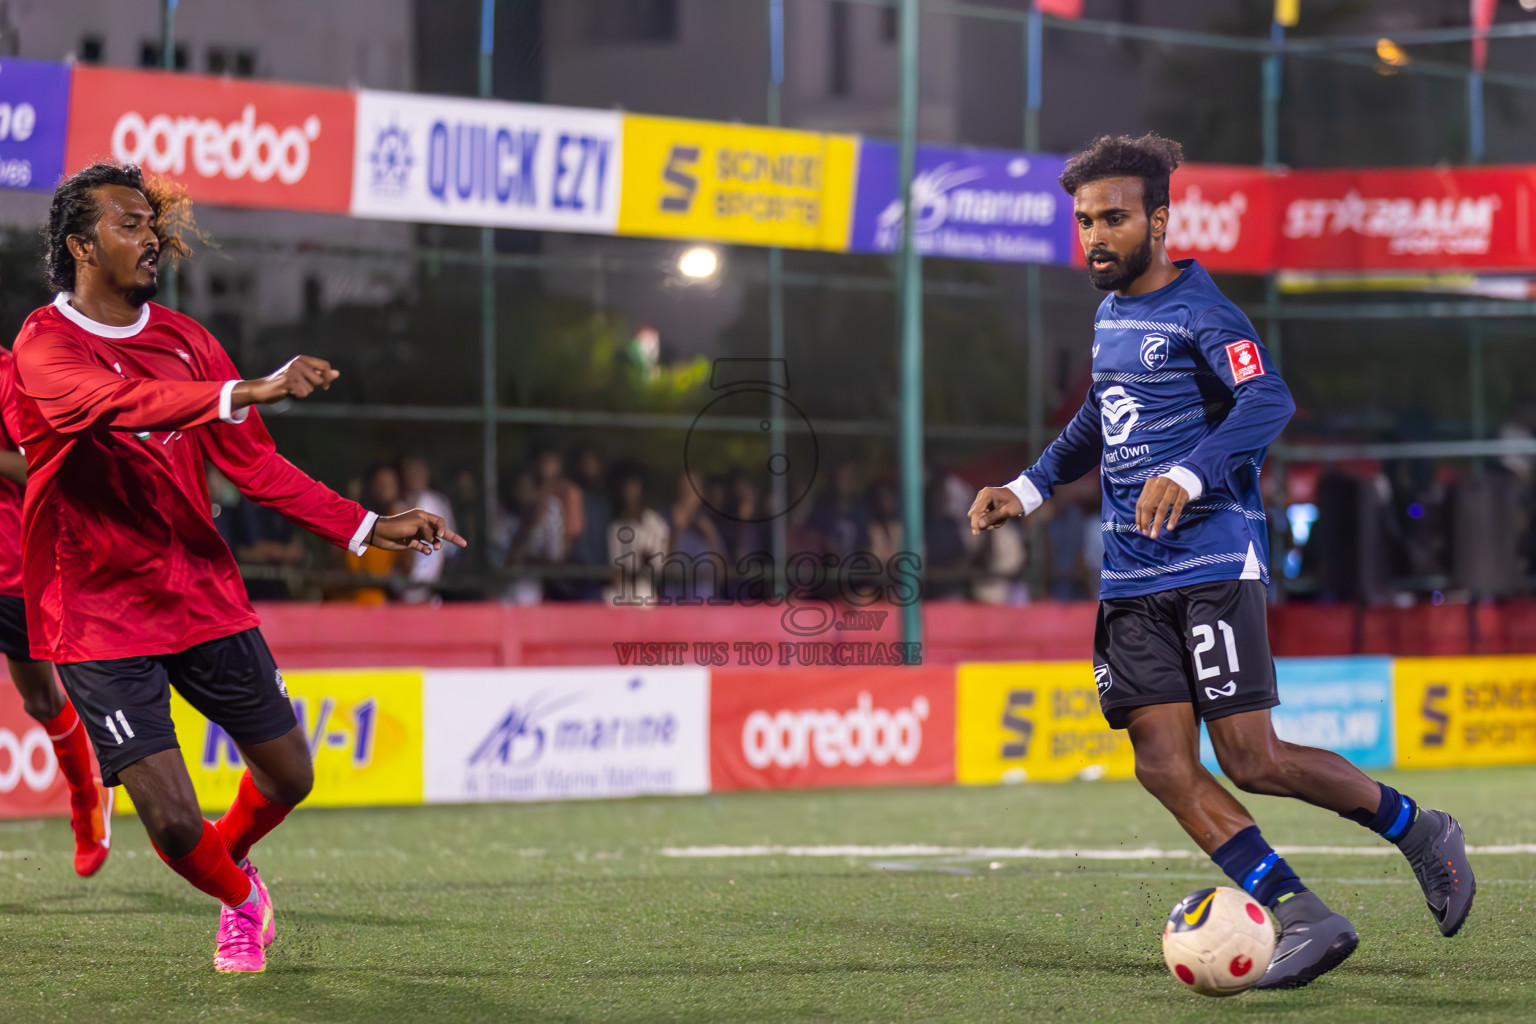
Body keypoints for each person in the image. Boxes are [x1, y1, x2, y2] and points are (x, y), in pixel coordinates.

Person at [967, 134, 1473, 990]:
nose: (1095, 235)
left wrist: (1190, 468)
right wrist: (1029, 484)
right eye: (1085, 220)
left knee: (1252, 758)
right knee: (1161, 762)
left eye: (1114, 219)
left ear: (1159, 221)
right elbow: (1102, 414)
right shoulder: (1112, 313)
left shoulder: (1205, 310)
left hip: (1209, 559)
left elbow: (1268, 396)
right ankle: (1302, 914)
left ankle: (1419, 829)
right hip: (1130, 577)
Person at [13, 163, 464, 973]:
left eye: (151, 222)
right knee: (175, 825)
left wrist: (368, 526)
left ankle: (235, 865)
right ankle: (241, 902)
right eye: (126, 224)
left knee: (291, 775)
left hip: (198, 594)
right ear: (81, 245)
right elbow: (119, 406)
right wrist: (246, 388)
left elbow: (257, 470)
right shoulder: (42, 346)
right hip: (98, 615)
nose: (149, 236)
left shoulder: (189, 341)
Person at [0, 347, 111, 876]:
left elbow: (38, 463)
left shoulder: (9, 374)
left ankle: (86, 796)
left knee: (43, 698)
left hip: (10, 570)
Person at [343, 464, 407, 604]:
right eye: (381, 484)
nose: (386, 489)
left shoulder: (398, 520)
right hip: (351, 602)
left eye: (391, 484)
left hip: (382, 603)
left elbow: (407, 568)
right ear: (370, 487)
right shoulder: (359, 519)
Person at [399, 454, 457, 604]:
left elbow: (450, 550)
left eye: (419, 471)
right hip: (399, 595)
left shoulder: (438, 503)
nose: (414, 476)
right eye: (410, 471)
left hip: (431, 594)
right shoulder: (396, 504)